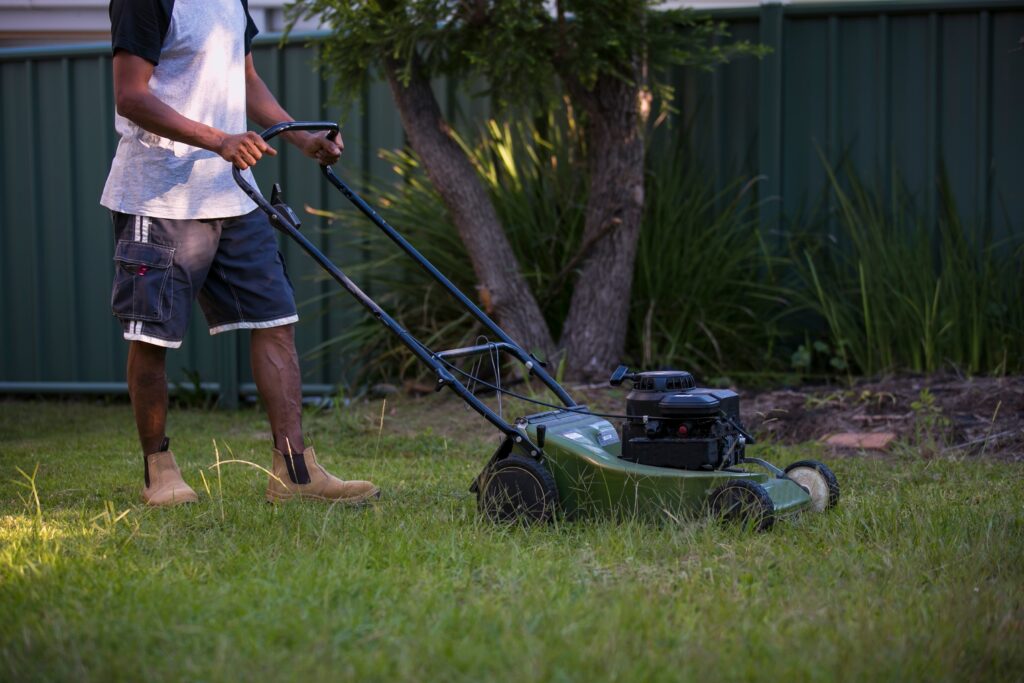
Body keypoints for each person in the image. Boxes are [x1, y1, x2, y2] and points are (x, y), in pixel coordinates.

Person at [101, 0, 379, 507]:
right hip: (159, 195)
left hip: (234, 194)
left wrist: (300, 137)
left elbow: (243, 76)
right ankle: (158, 470)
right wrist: (219, 139)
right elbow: (131, 96)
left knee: (275, 319)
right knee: (154, 336)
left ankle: (294, 471)